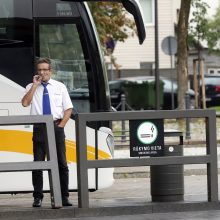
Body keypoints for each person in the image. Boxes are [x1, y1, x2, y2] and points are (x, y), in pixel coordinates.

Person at [21, 57, 73, 207]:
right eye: (40, 70)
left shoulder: (60, 86)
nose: (42, 72)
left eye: (45, 69)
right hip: (39, 128)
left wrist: (61, 126)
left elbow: (68, 109)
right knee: (38, 163)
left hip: (56, 127)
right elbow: (25, 103)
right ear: (37, 72)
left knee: (62, 164)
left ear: (51, 71)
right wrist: (35, 86)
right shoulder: (31, 86)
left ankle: (64, 196)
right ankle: (38, 197)